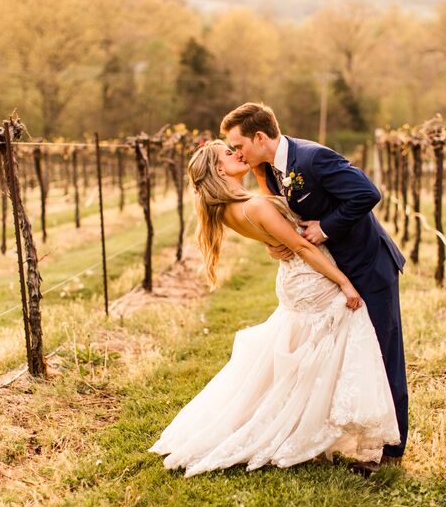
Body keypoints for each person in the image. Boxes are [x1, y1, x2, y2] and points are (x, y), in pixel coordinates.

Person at [149, 139, 400, 477]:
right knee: (347, 341)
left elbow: (275, 232)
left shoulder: (228, 208)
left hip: (293, 280)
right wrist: (344, 282)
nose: (235, 153)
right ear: (220, 170)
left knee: (316, 349)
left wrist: (271, 237)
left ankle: (320, 419)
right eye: (228, 152)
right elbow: (299, 244)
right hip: (310, 277)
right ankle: (355, 435)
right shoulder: (252, 205)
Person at [221, 102, 408, 466]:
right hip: (334, 269)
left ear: (260, 137)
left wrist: (325, 227)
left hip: (367, 266)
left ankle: (391, 448)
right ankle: (351, 433)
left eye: (238, 144)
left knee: (384, 351)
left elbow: (367, 194)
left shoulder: (313, 158)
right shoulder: (273, 171)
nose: (236, 153)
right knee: (356, 352)